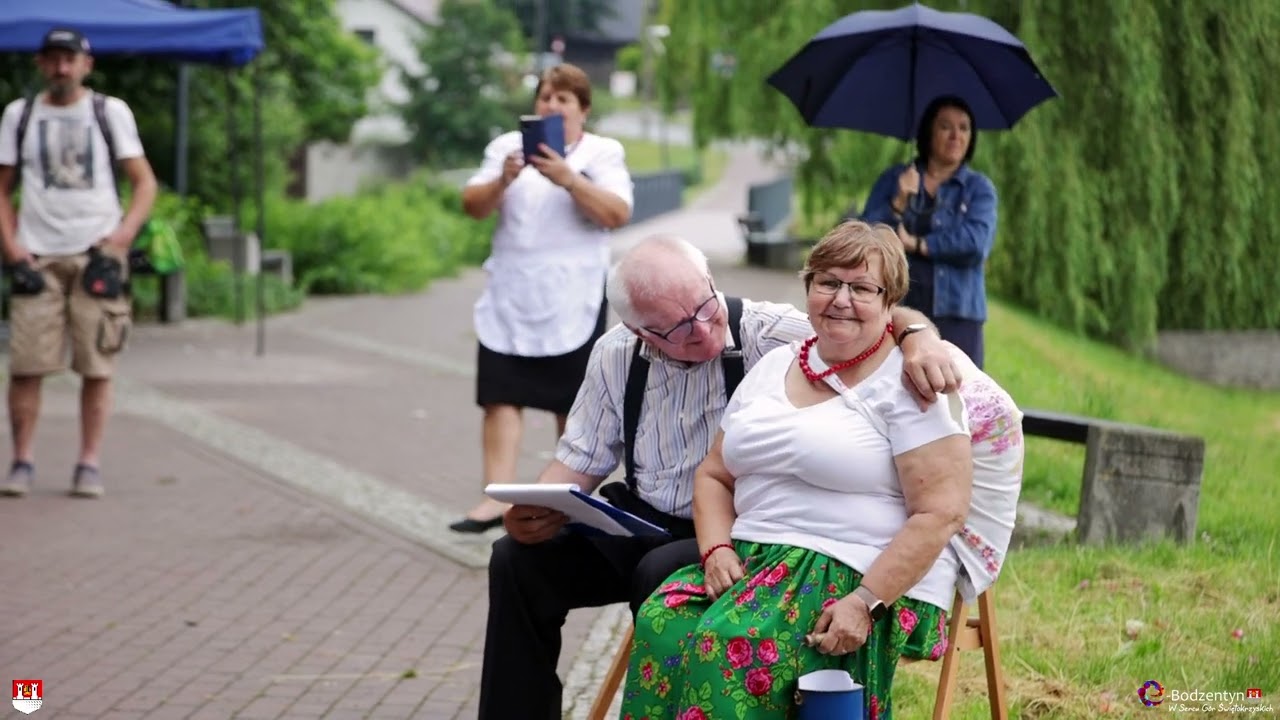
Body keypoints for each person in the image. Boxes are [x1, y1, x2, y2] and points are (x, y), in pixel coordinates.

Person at [477, 234, 963, 720]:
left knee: (658, 574)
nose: (705, 330)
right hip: (644, 518)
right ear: (639, 330)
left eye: (706, 308)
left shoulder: (772, 333)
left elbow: (861, 309)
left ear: (711, 282)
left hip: (736, 528)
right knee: (516, 561)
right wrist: (538, 507)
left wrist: (920, 335)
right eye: (679, 329)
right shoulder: (616, 353)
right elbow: (580, 456)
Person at [620, 221, 1023, 720]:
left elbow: (942, 512)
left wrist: (864, 601)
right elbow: (715, 474)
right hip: (752, 560)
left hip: (850, 572)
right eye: (828, 282)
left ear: (890, 302)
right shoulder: (774, 366)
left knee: (728, 644)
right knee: (662, 622)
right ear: (809, 287)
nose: (841, 299)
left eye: (862, 288)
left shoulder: (911, 383)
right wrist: (717, 548)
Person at [453, 63, 634, 532]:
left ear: (583, 110)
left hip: (572, 293)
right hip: (512, 292)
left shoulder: (601, 153)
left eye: (563, 99)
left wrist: (569, 179)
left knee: (570, 403)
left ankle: (568, 502)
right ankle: (493, 499)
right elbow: (472, 206)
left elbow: (617, 213)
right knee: (499, 395)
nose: (551, 106)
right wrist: (503, 180)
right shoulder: (506, 149)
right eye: (545, 97)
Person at [0, 28, 157, 499]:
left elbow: (143, 182)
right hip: (37, 255)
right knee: (26, 364)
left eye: (70, 60)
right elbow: (1, 189)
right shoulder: (19, 115)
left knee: (96, 365)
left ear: (86, 64)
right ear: (40, 65)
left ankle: (88, 463)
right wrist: (10, 249)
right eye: (53, 60)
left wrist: (122, 237)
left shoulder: (110, 113)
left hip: (96, 257)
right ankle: (22, 460)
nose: (62, 68)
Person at [859, 95, 998, 368]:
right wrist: (898, 201)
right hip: (899, 307)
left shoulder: (979, 189)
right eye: (945, 126)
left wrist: (918, 244)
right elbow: (864, 237)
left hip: (957, 314)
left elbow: (976, 243)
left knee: (957, 393)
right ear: (928, 132)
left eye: (964, 127)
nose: (956, 135)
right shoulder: (896, 178)